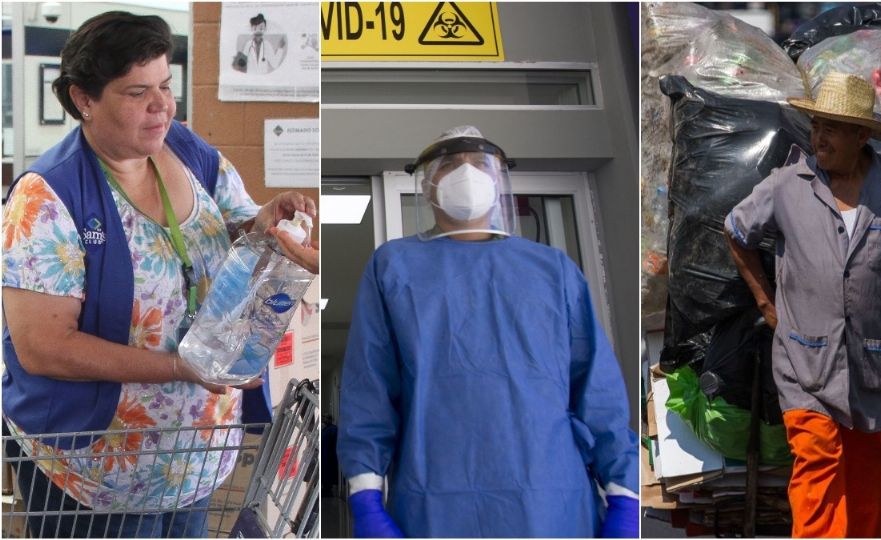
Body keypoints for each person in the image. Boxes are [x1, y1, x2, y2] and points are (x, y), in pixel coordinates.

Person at [1, 12, 316, 538]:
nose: (162, 106)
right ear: (83, 99)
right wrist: (179, 367)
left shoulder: (189, 151)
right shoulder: (47, 197)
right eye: (136, 92)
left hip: (194, 457)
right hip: (96, 478)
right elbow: (43, 346)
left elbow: (232, 228)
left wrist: (262, 223)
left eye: (166, 86)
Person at [336, 126, 640, 538]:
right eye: (449, 165)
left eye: (479, 164)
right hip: (436, 502)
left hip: (552, 502)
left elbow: (597, 389)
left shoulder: (553, 270)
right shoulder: (394, 268)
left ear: (498, 182)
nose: (467, 173)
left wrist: (624, 494)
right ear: (427, 187)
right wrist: (365, 496)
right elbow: (369, 388)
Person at [724, 72, 881, 538]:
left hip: (877, 360)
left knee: (870, 471)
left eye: (831, 128)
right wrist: (767, 303)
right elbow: (736, 230)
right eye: (815, 125)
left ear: (861, 136)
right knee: (817, 459)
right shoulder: (787, 185)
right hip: (804, 359)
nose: (819, 137)